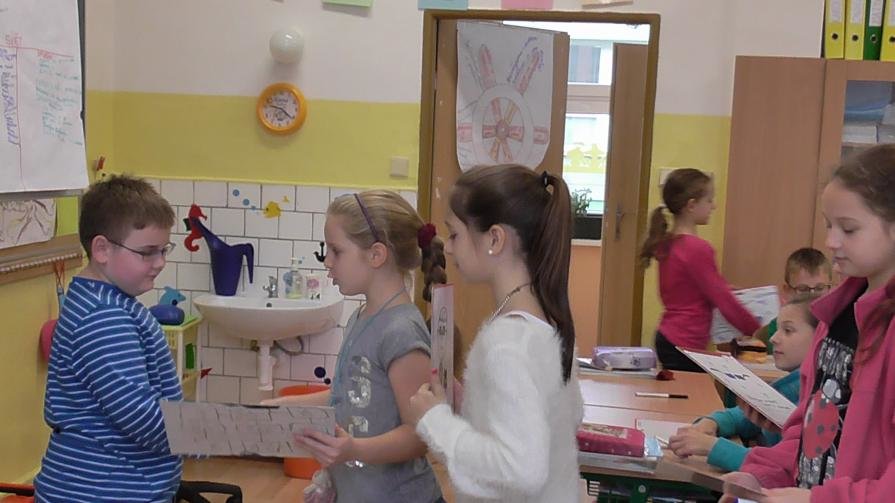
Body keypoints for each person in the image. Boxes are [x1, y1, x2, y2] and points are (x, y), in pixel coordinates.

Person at [721, 144, 895, 502]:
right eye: (829, 225)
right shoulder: (835, 314)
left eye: (849, 229)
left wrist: (819, 500)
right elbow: (811, 429)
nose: (831, 241)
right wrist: (763, 475)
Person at [408, 165, 584, 502]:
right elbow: (559, 418)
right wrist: (474, 405)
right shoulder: (546, 322)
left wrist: (435, 421)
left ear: (494, 239)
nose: (448, 249)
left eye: (455, 235)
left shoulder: (507, 344)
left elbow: (520, 470)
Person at [263, 190, 445, 503]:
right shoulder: (361, 316)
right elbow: (349, 395)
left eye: (336, 251)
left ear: (376, 255)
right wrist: (284, 406)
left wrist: (353, 449)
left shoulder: (402, 331)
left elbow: (419, 437)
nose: (327, 262)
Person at [34, 175, 183, 502]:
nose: (160, 263)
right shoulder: (104, 317)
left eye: (164, 250)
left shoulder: (103, 301)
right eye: (147, 252)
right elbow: (142, 416)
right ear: (102, 249)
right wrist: (225, 431)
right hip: (102, 491)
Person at [668, 294, 819, 472]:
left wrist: (712, 447)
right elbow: (746, 416)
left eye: (788, 330)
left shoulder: (819, 398)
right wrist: (712, 422)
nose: (773, 338)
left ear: (821, 337)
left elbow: (787, 467)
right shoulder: (792, 386)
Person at [639, 168, 761, 371]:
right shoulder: (697, 249)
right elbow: (723, 300)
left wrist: (723, 288)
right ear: (691, 205)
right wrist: (756, 329)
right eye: (709, 200)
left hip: (670, 336)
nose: (714, 206)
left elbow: (688, 290)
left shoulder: (669, 243)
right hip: (684, 341)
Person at [747, 247, 832, 353]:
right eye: (803, 289)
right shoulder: (774, 331)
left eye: (820, 288)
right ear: (787, 291)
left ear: (831, 289)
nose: (812, 297)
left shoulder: (839, 328)